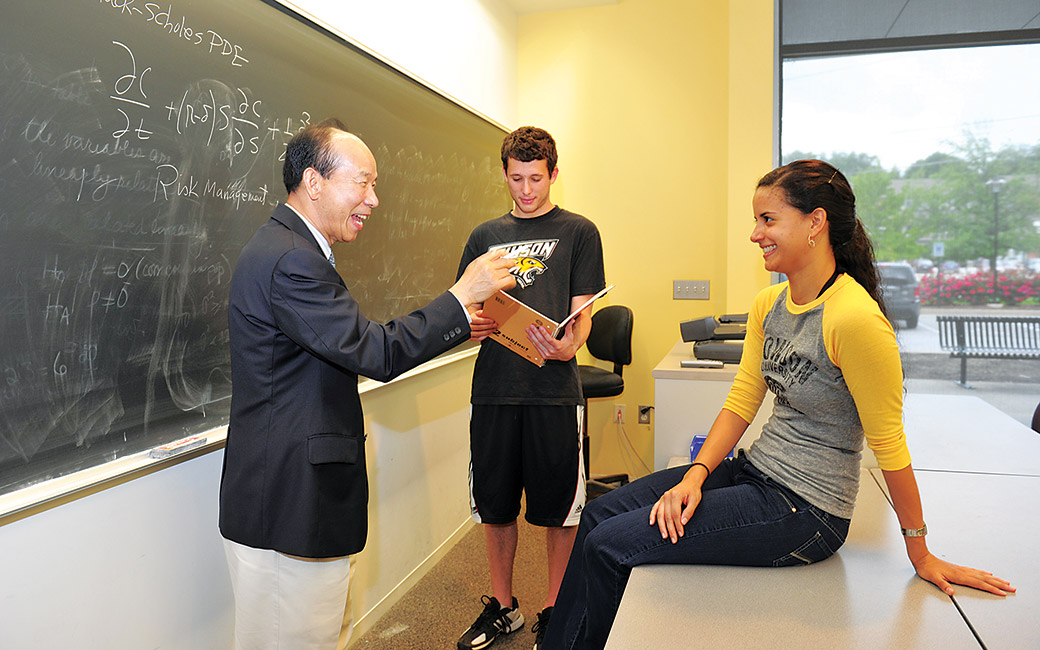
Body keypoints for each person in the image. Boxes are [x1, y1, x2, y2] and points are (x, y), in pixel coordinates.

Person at [541, 159, 1015, 650]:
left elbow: (890, 445)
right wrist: (695, 475)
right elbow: (742, 400)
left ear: (816, 223)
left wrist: (921, 554)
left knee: (608, 546)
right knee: (596, 519)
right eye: (756, 220)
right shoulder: (770, 305)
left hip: (808, 511)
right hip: (756, 474)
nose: (755, 234)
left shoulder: (853, 320)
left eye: (768, 220)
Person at [219, 119, 516, 650]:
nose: (373, 200)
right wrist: (460, 294)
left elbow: (348, 343)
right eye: (363, 182)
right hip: (289, 507)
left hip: (294, 499)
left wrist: (453, 322)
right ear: (314, 182)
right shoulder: (291, 261)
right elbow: (373, 350)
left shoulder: (292, 249)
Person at [455, 126, 606, 650]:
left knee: (558, 508)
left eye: (536, 179)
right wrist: (470, 324)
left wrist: (573, 344)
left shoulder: (579, 232)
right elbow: (467, 308)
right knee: (495, 506)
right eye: (516, 179)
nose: (525, 189)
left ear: (554, 174)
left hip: (555, 393)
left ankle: (555, 609)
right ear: (505, 174)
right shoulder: (484, 236)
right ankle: (503, 606)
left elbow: (583, 309)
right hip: (495, 389)